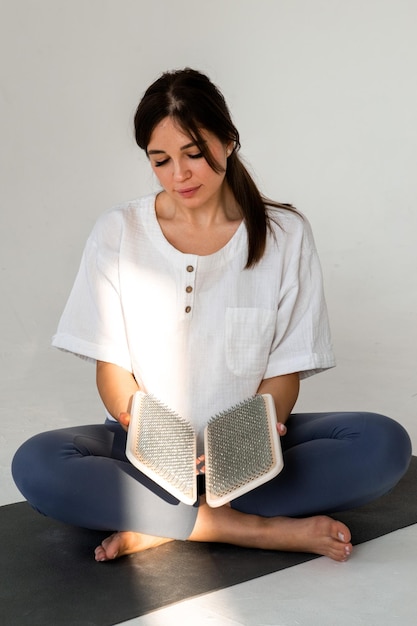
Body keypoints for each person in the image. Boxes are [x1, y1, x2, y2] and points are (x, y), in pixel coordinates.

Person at [12, 68, 411, 563]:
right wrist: (141, 423)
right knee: (37, 463)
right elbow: (111, 369)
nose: (179, 174)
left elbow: (282, 376)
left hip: (247, 456)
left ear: (228, 141)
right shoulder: (117, 232)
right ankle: (245, 528)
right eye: (160, 160)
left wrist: (252, 440)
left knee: (383, 443)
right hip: (146, 454)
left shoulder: (285, 234)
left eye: (194, 154)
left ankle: (159, 521)